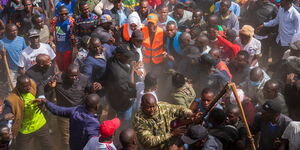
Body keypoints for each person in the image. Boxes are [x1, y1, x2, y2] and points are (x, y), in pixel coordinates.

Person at [48, 64, 101, 149]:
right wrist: (50, 87)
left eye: (76, 75)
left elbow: (90, 91)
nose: (74, 78)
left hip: (79, 113)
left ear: (79, 73)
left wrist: (95, 87)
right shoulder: (58, 78)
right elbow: (47, 89)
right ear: (66, 74)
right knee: (66, 138)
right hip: (64, 113)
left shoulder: (84, 79)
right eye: (71, 76)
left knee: (79, 135)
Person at [34, 94, 101, 150]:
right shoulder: (94, 124)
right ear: (97, 106)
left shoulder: (76, 110)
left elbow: (57, 110)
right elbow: (93, 144)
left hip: (73, 146)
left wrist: (46, 102)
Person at [6, 75, 53, 150]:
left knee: (48, 147)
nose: (29, 88)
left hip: (40, 124)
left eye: (29, 85)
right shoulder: (11, 99)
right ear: (18, 86)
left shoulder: (32, 84)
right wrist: (7, 116)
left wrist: (41, 98)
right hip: (24, 130)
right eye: (25, 86)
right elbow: (6, 112)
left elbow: (41, 85)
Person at [105, 45, 137, 121]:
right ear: (118, 55)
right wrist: (132, 70)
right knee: (125, 123)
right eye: (126, 56)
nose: (128, 58)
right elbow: (129, 91)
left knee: (111, 114)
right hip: (123, 104)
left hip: (112, 97)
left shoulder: (111, 60)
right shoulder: (119, 74)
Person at [49, 5, 75, 72]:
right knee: (59, 67)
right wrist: (50, 41)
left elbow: (75, 33)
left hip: (68, 48)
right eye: (62, 14)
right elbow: (51, 33)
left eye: (66, 14)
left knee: (67, 68)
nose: (64, 15)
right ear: (58, 14)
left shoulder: (71, 21)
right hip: (58, 49)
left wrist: (73, 37)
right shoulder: (54, 21)